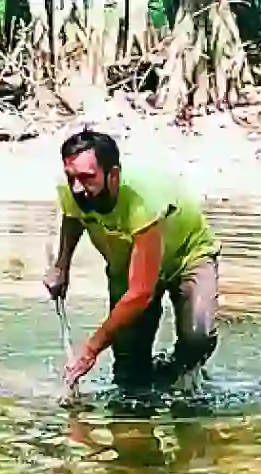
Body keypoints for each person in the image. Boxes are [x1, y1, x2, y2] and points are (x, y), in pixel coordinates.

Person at [43, 129, 221, 393]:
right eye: (72, 178)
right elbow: (73, 217)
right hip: (126, 260)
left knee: (197, 338)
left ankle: (174, 376)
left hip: (187, 256)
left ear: (113, 175)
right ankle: (132, 423)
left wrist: (91, 350)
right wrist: (61, 266)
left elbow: (140, 293)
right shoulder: (73, 190)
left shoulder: (142, 201)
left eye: (87, 178)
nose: (78, 188)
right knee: (128, 366)